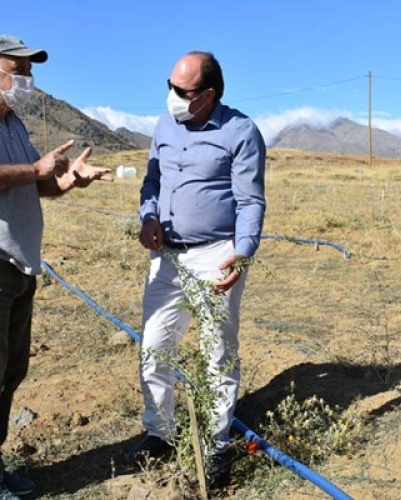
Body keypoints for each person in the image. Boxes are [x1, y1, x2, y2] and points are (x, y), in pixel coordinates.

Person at [0, 34, 112, 500]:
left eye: (30, 71)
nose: (28, 80)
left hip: (16, 263)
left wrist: (69, 180)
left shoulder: (14, 124)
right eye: (20, 70)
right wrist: (35, 170)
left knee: (9, 372)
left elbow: (34, 186)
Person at [132, 51, 266, 489]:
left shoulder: (240, 132)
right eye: (168, 86)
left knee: (216, 351)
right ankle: (160, 433)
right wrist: (147, 216)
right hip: (167, 255)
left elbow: (250, 201)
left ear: (208, 94)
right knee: (154, 344)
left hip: (216, 254)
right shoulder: (164, 126)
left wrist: (242, 253)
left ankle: (214, 446)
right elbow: (151, 182)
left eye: (182, 91)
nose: (171, 97)